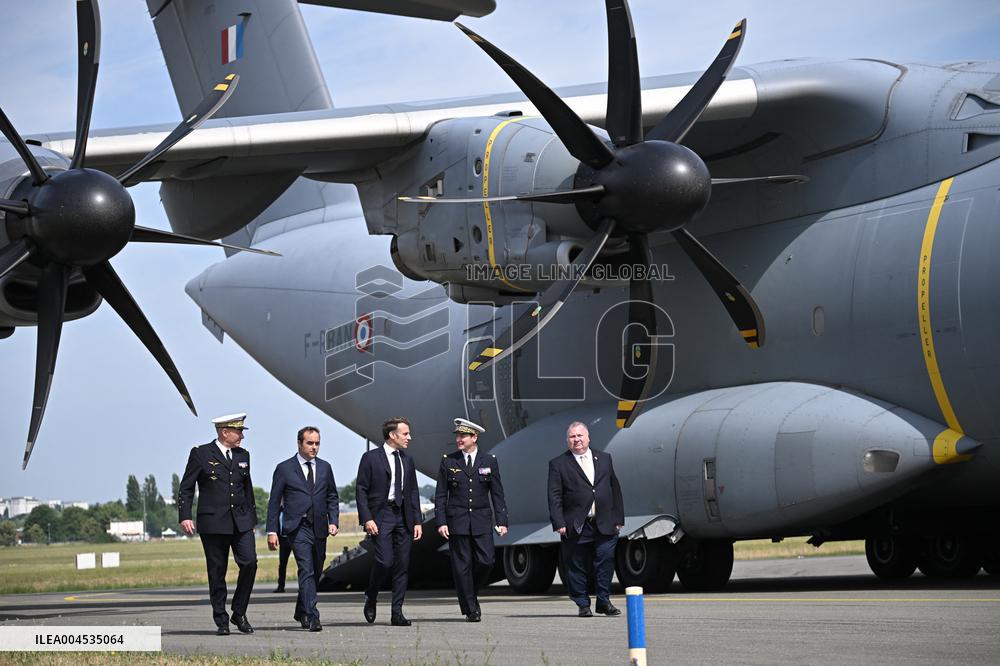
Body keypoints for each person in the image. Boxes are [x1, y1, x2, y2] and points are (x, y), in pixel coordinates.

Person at [178, 413, 258, 635]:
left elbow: (247, 488)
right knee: (217, 571)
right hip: (213, 522)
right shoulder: (201, 453)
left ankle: (239, 612)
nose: (242, 436)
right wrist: (185, 515)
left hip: (241, 521)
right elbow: (186, 487)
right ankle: (221, 619)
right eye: (239, 431)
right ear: (225, 432)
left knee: (250, 563)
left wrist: (252, 519)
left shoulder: (243, 455)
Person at [266, 426, 340, 632]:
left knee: (316, 571)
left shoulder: (325, 467)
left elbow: (332, 496)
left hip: (320, 526)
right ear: (299, 443)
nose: (314, 447)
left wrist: (333, 520)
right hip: (297, 527)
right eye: (310, 443)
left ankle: (301, 609)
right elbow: (274, 502)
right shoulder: (284, 468)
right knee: (306, 569)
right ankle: (312, 615)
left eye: (317, 443)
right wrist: (272, 530)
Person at [548, 421, 625, 617]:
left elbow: (614, 488)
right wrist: (559, 522)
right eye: (572, 436)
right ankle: (582, 603)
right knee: (576, 565)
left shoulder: (604, 458)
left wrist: (618, 517)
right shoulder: (558, 464)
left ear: (588, 438)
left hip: (604, 522)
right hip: (576, 524)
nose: (577, 440)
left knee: (605, 560)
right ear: (567, 440)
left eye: (580, 435)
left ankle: (603, 601)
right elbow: (554, 496)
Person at [434, 418, 508, 622]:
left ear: (474, 437)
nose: (459, 439)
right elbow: (441, 495)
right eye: (457, 436)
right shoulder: (449, 461)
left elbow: (497, 493)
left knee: (487, 561)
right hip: (457, 521)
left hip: (481, 520)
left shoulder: (489, 461)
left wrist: (502, 520)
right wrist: (441, 521)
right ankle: (471, 608)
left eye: (463, 436)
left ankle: (470, 593)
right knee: (462, 567)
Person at [356, 417, 422, 626]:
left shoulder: (407, 460)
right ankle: (371, 594)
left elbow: (413, 491)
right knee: (385, 561)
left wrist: (417, 521)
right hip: (381, 515)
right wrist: (367, 518)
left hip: (403, 515)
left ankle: (397, 613)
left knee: (402, 565)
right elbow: (361, 490)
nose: (409, 437)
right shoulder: (370, 458)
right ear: (392, 435)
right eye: (405, 434)